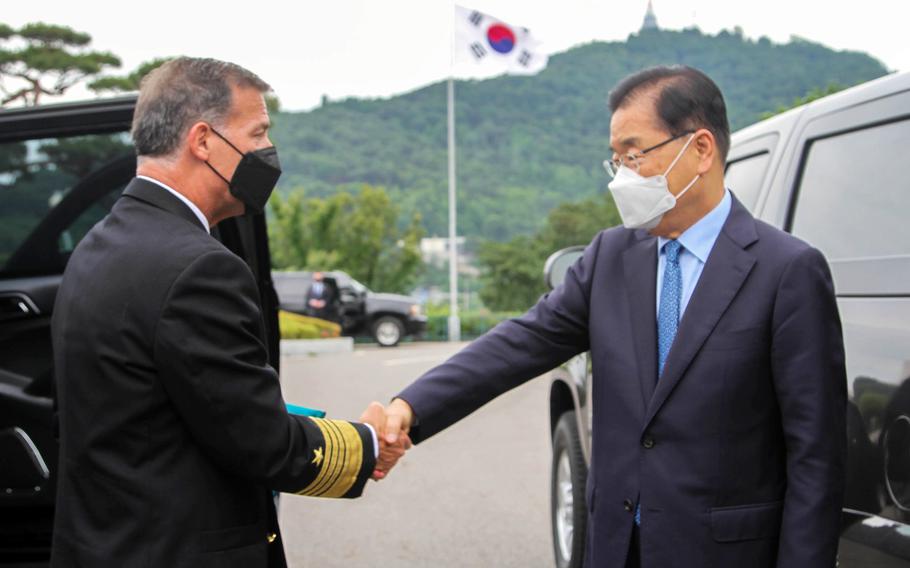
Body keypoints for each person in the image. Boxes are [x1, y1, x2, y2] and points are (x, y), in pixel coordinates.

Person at [378, 65, 846, 567]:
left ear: (701, 149)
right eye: (616, 159)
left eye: (634, 154)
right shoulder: (611, 257)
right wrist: (408, 408)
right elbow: (520, 344)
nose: (623, 175)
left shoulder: (787, 271)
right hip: (617, 547)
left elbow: (816, 458)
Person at [50, 57, 406, 568]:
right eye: (258, 132)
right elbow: (262, 443)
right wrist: (368, 442)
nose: (267, 151)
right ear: (202, 141)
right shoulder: (200, 268)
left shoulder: (97, 245)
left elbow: (168, 406)